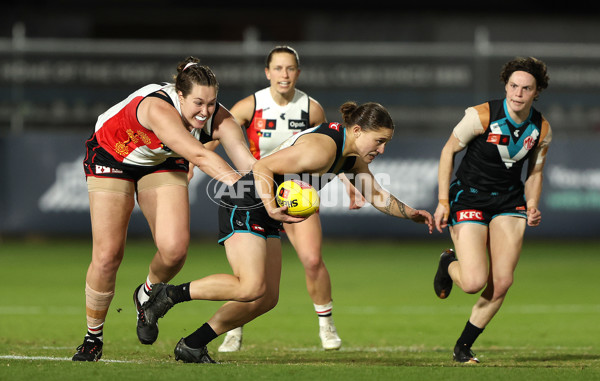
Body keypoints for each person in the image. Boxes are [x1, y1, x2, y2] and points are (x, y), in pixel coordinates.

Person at [140, 101, 434, 363]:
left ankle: (193, 345)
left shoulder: (351, 157)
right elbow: (263, 167)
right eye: (379, 141)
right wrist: (269, 206)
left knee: (266, 299)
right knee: (250, 287)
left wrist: (411, 214)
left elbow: (376, 195)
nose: (382, 149)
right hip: (246, 202)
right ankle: (167, 295)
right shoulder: (322, 149)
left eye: (386, 143)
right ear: (357, 130)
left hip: (266, 210)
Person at [72, 57, 255, 361]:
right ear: (180, 95)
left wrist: (266, 186)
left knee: (174, 250)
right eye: (198, 102)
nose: (205, 111)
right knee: (107, 256)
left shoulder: (217, 117)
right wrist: (242, 188)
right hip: (111, 155)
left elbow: (247, 162)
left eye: (211, 103)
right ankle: (93, 338)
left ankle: (145, 296)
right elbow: (200, 155)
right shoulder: (158, 108)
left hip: (161, 161)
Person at [217, 45, 362, 352]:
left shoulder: (311, 108)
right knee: (248, 273)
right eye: (278, 68)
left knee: (312, 259)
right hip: (258, 192)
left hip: (297, 192)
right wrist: (193, 161)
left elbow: (335, 150)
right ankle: (234, 328)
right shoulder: (251, 104)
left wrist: (352, 183)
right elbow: (219, 129)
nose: (284, 75)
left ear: (298, 72)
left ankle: (326, 324)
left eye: (290, 68)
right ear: (267, 72)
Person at [432, 57, 552, 364]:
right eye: (513, 86)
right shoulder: (481, 115)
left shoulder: (541, 129)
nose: (518, 93)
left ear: (536, 92)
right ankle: (448, 264)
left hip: (509, 202)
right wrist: (444, 201)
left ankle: (462, 348)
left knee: (502, 282)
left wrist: (533, 203)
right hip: (469, 198)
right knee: (473, 282)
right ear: (506, 85)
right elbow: (449, 150)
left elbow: (535, 174)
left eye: (526, 88)